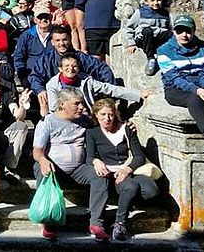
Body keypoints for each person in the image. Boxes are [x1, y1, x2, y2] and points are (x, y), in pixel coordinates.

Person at [33, 88, 110, 241]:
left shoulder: (85, 120)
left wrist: (126, 125)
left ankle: (96, 224)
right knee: (41, 168)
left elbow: (107, 123)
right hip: (54, 169)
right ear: (62, 104)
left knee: (100, 175)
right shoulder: (48, 121)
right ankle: (48, 222)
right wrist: (43, 160)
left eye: (82, 103)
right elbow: (37, 151)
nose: (82, 107)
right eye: (77, 104)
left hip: (79, 169)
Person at [157, 15, 204, 153]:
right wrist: (196, 90)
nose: (184, 35)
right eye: (179, 31)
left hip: (201, 86)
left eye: (188, 31)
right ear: (174, 31)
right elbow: (174, 78)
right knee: (193, 99)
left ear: (193, 31)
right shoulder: (163, 51)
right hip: (176, 89)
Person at [86, 99, 159, 241]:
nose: (107, 118)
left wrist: (127, 169)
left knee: (151, 191)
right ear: (95, 115)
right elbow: (89, 157)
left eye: (111, 114)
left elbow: (139, 157)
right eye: (103, 114)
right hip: (112, 174)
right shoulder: (92, 133)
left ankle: (127, 201)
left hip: (130, 169)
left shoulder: (126, 129)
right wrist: (96, 161)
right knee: (130, 187)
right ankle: (120, 224)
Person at [28, 25, 115, 108]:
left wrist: (108, 96)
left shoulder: (81, 57)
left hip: (81, 98)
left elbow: (102, 69)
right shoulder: (46, 60)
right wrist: (40, 90)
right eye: (58, 40)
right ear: (52, 42)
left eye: (65, 40)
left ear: (70, 39)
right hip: (56, 98)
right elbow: (35, 76)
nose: (62, 43)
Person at [45, 53, 148, 115]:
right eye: (67, 66)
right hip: (65, 118)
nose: (71, 69)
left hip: (87, 116)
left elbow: (109, 89)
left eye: (74, 66)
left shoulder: (86, 81)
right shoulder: (53, 85)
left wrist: (138, 94)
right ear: (60, 68)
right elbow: (54, 109)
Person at [124, 0, 171, 76]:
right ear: (146, 2)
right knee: (147, 31)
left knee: (171, 33)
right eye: (152, 0)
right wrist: (131, 43)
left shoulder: (164, 13)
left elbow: (168, 27)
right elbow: (129, 28)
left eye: (158, 0)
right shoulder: (140, 12)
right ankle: (151, 58)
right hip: (144, 38)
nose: (156, 3)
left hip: (158, 38)